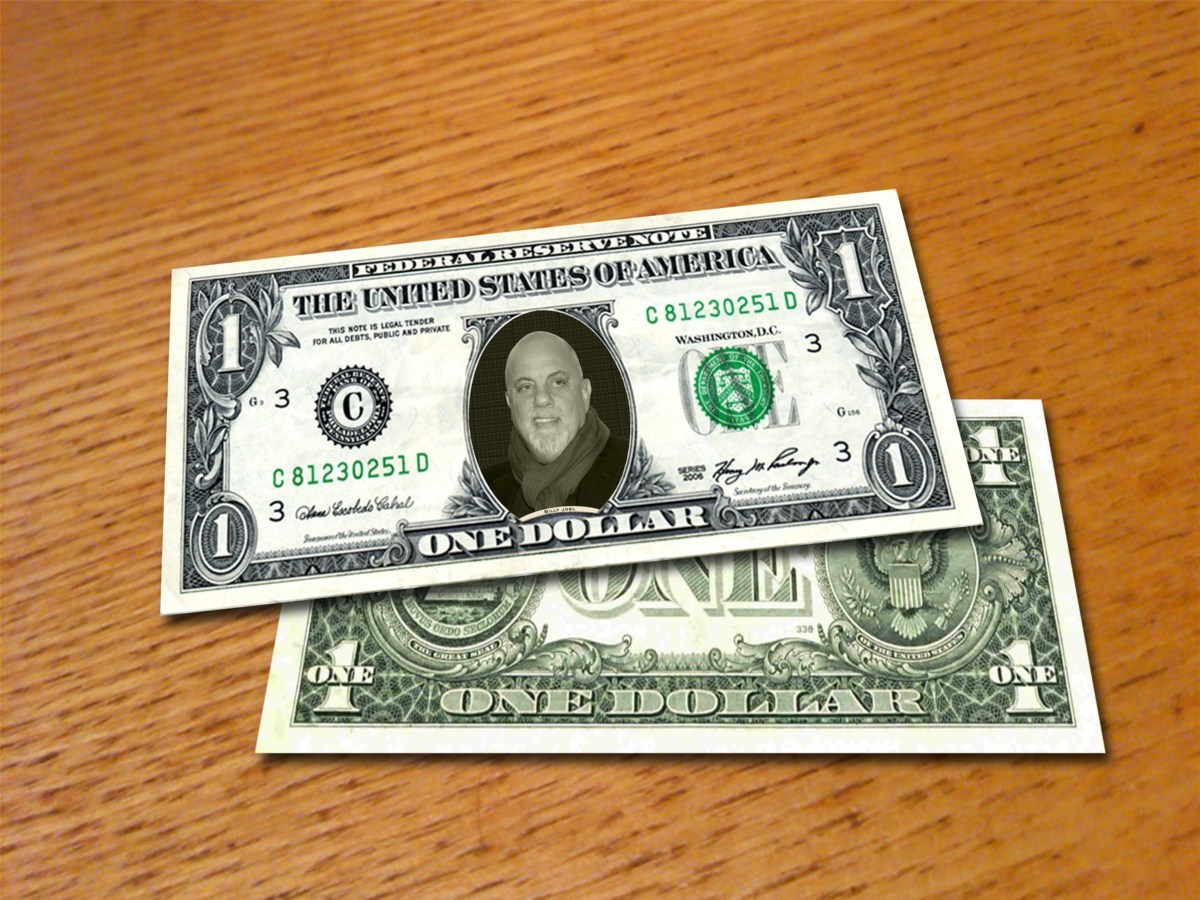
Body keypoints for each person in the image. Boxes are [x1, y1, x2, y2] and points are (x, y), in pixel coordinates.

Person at [482, 330, 627, 516]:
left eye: (558, 382)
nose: (542, 399)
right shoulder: (481, 493)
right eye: (526, 387)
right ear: (510, 402)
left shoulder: (638, 468)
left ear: (584, 393)